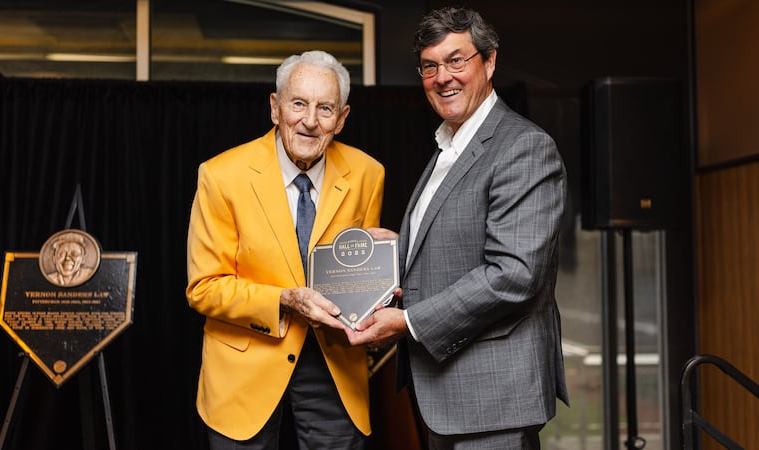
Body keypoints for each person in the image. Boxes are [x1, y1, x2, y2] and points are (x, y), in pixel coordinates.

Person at [346, 7, 569, 449]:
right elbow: (464, 242)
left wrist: (407, 322)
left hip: (493, 398)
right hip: (450, 394)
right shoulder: (449, 145)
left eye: (456, 60)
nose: (442, 77)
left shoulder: (523, 146)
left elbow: (514, 274)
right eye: (430, 66)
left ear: (490, 61)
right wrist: (403, 248)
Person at [185, 50, 385, 449]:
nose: (310, 120)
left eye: (325, 108)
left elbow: (363, 277)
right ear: (275, 108)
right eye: (298, 104)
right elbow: (204, 288)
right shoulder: (221, 176)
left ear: (342, 118)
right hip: (244, 370)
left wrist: (380, 293)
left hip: (334, 366)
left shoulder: (368, 173)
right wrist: (285, 300)